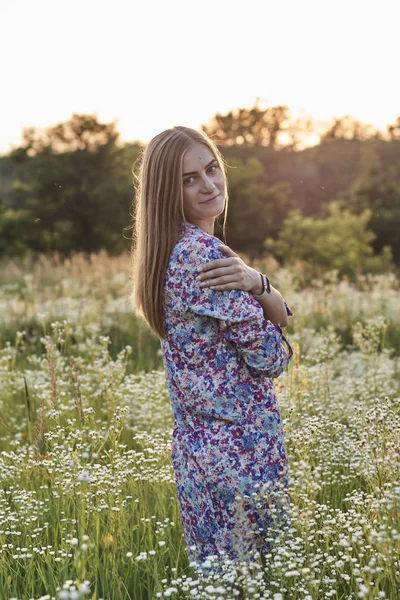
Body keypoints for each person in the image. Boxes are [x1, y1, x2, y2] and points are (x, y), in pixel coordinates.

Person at [131, 126, 293, 572]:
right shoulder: (204, 257)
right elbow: (271, 358)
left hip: (196, 455)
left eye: (212, 168)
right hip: (242, 454)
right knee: (265, 580)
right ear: (169, 192)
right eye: (189, 179)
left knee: (221, 583)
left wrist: (257, 285)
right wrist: (264, 288)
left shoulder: (167, 253)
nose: (209, 185)